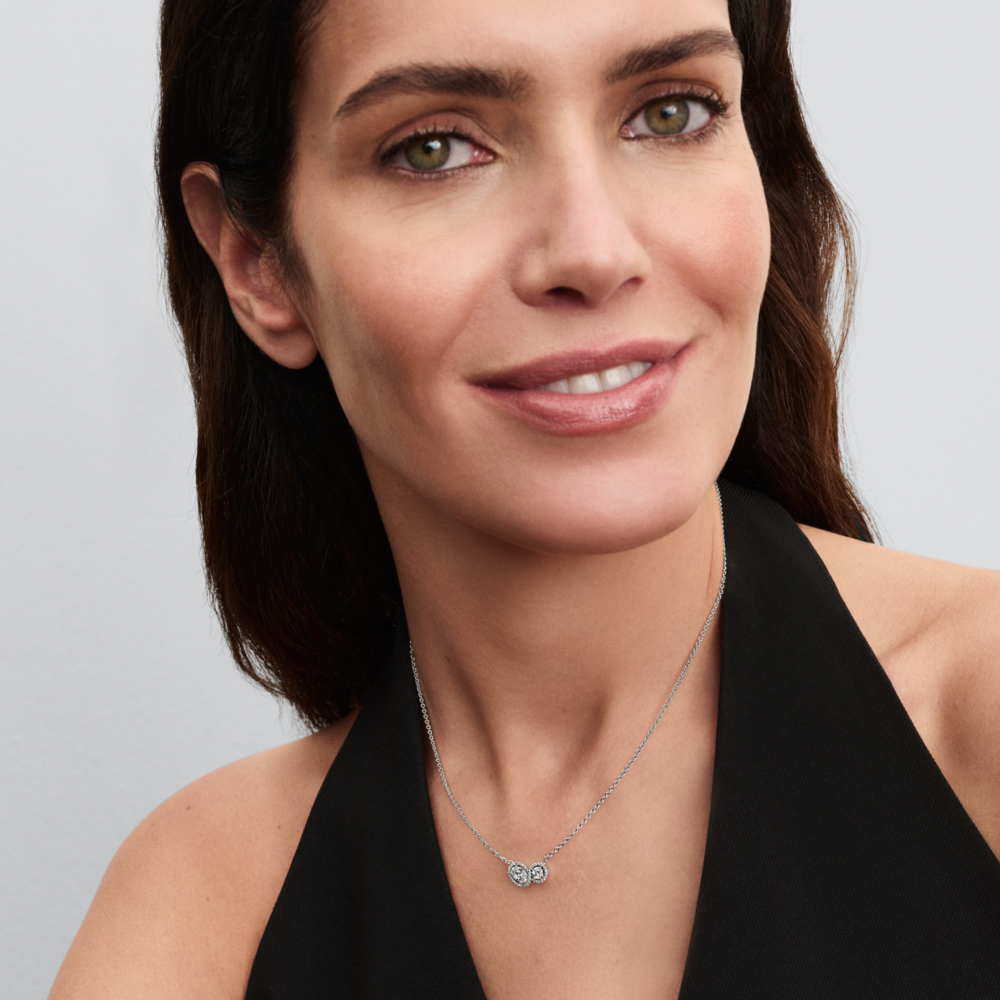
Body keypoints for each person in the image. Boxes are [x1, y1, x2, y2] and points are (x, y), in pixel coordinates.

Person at [49, 0, 1000, 996]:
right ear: (257, 264)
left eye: (670, 112)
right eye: (433, 149)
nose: (592, 252)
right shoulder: (210, 902)